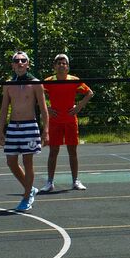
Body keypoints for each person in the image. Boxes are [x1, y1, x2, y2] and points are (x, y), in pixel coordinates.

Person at [0, 50, 48, 212]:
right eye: (16, 61)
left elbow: (43, 107)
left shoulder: (35, 83)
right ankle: (30, 187)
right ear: (12, 65)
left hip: (30, 127)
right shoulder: (8, 84)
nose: (20, 63)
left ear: (28, 64)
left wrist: (45, 131)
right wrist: (1, 131)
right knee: (11, 161)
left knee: (28, 162)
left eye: (23, 61)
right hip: (13, 127)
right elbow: (4, 108)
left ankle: (27, 197)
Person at [38, 53, 93, 193]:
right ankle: (50, 182)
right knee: (53, 151)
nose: (61, 65)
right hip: (55, 122)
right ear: (54, 66)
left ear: (68, 67)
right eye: (59, 63)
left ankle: (75, 181)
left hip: (70, 120)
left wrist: (78, 107)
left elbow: (89, 93)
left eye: (64, 63)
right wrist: (47, 108)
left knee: (72, 151)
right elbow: (36, 94)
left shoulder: (74, 80)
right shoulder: (49, 81)